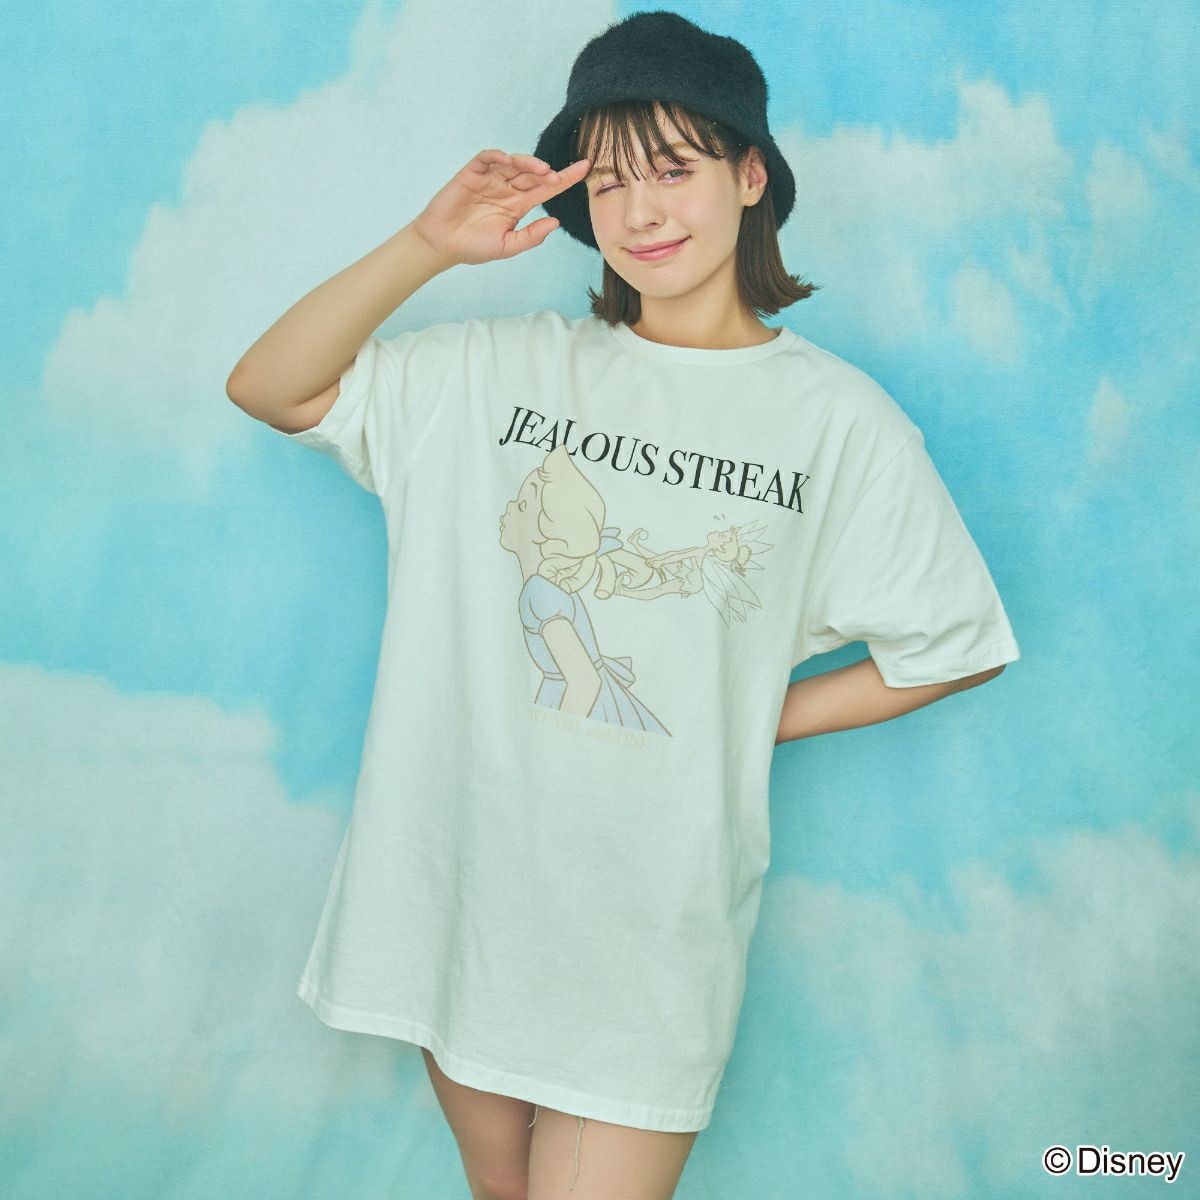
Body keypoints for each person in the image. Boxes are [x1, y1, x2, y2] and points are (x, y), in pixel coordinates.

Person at [225, 11, 1020, 1199]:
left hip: (643, 937)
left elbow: (954, 644)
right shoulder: (498, 368)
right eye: (608, 182)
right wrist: (427, 245)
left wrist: (753, 717)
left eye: (676, 169)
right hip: (459, 896)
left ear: (751, 177)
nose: (641, 212)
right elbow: (271, 387)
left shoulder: (837, 422)